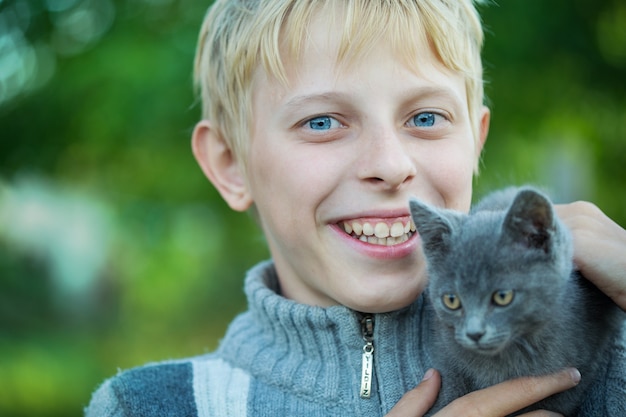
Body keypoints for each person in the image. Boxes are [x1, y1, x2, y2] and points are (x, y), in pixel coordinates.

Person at [85, 0, 626, 415]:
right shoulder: (154, 405)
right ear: (230, 164)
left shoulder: (604, 359)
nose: (390, 165)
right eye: (322, 122)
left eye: (426, 118)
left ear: (475, 142)